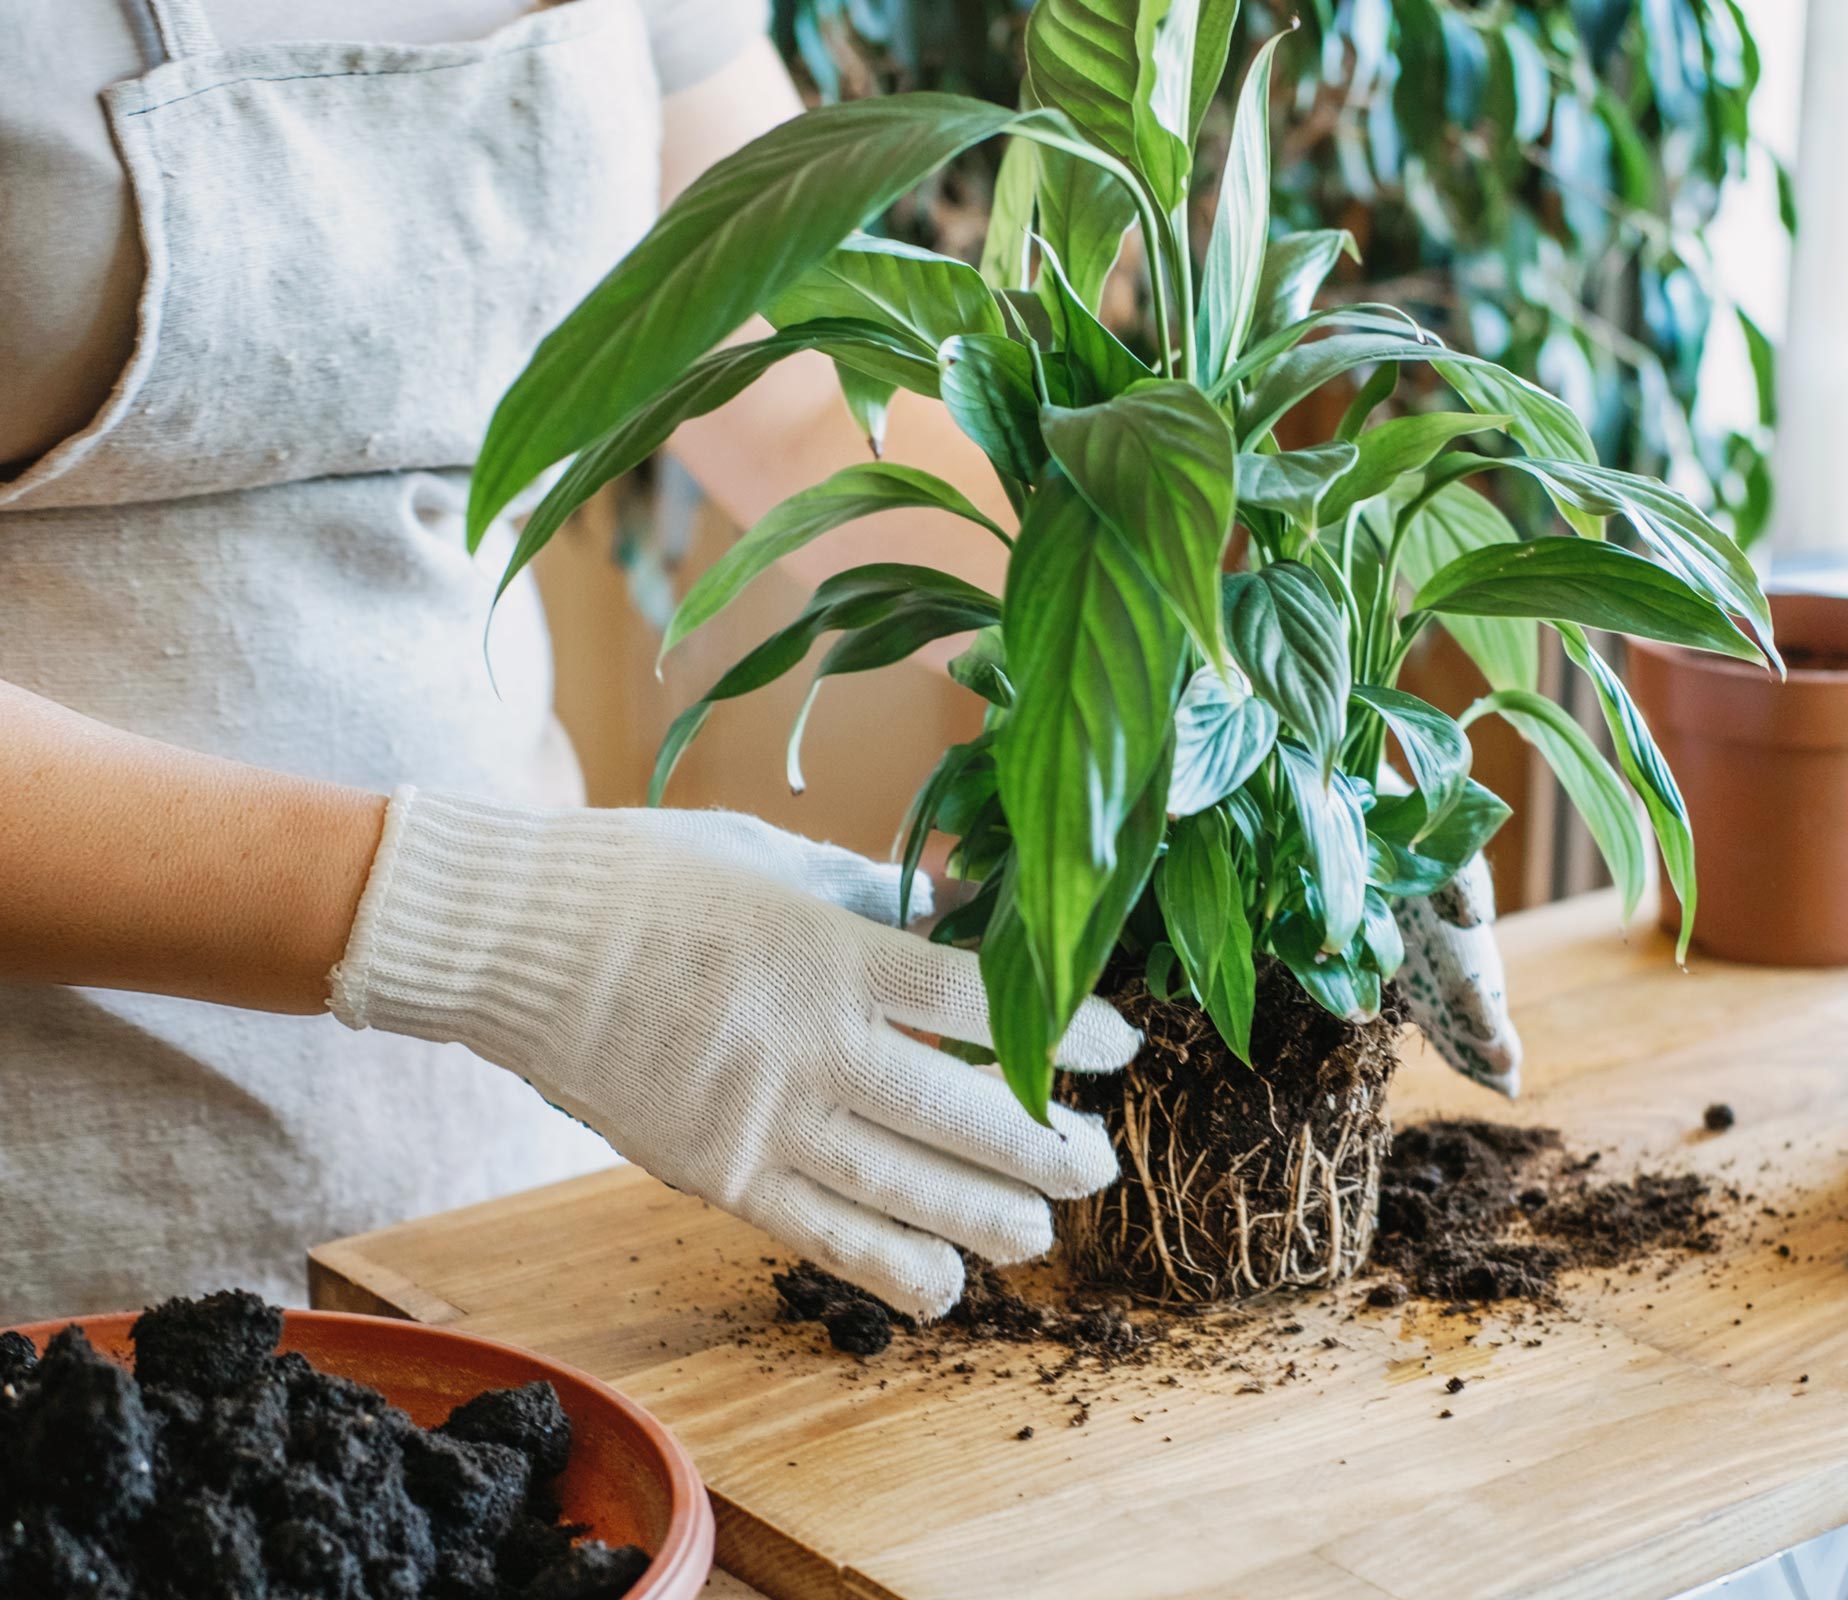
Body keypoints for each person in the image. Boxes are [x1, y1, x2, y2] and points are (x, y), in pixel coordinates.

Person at [0, 0, 1520, 1328]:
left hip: (513, 1170)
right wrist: (481, 924)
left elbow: (810, 393)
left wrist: (1226, 706)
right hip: (66, 1224)